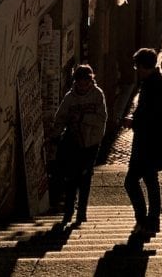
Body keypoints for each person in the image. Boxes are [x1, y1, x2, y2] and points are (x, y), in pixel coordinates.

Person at [122, 48, 162, 239]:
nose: (136, 70)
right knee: (149, 181)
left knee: (133, 181)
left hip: (149, 144)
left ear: (143, 66)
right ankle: (149, 221)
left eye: (137, 66)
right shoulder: (155, 83)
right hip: (153, 143)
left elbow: (152, 116)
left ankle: (145, 220)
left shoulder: (154, 86)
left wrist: (133, 122)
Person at [52, 64, 107, 227]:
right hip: (74, 142)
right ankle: (69, 210)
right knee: (71, 177)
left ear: (91, 81)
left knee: (85, 177)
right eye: (80, 82)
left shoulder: (98, 95)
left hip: (91, 143)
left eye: (86, 82)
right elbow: (60, 117)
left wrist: (82, 118)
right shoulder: (70, 97)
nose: (83, 85)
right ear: (76, 82)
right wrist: (55, 134)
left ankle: (81, 210)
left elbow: (101, 119)